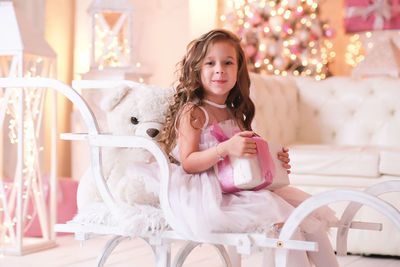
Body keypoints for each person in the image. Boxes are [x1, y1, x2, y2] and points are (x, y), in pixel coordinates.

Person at [154, 29, 338, 267]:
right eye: (210, 63)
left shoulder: (234, 111)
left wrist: (273, 160)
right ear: (197, 69)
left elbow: (244, 160)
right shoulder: (194, 111)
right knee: (287, 224)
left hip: (241, 186)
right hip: (213, 190)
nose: (219, 69)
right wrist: (225, 149)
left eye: (228, 62)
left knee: (308, 218)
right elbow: (188, 163)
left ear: (238, 70)